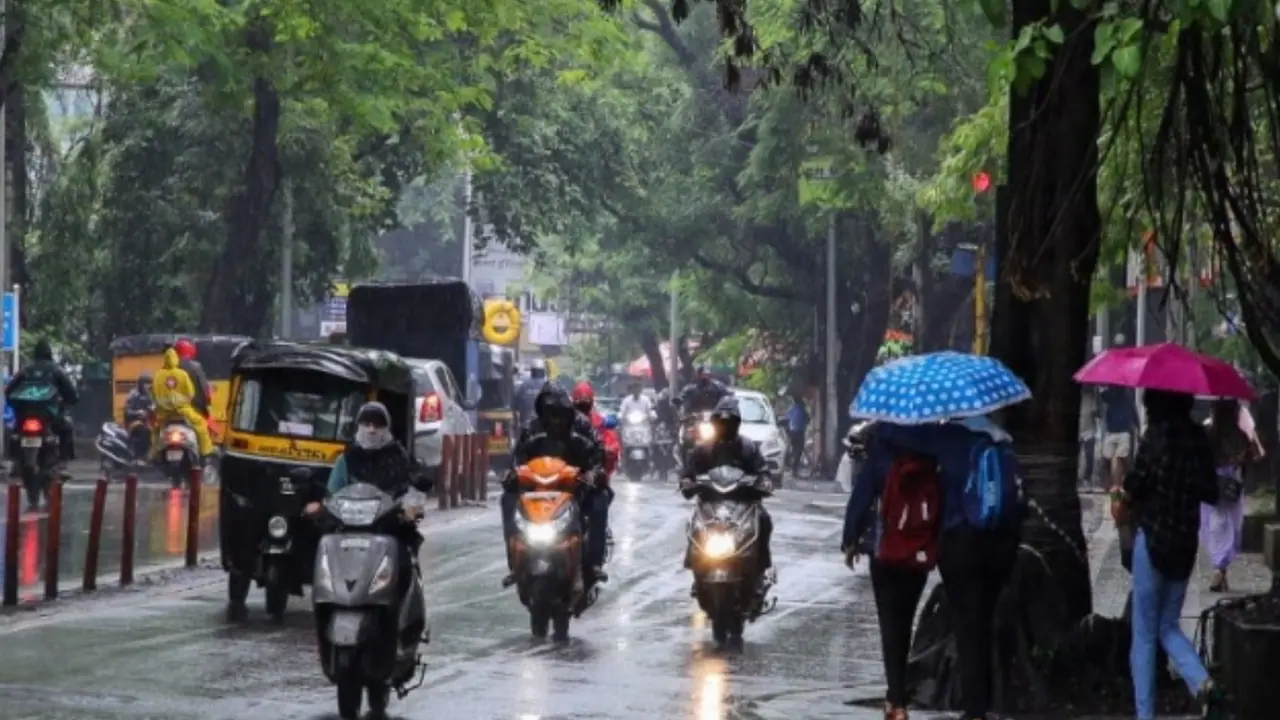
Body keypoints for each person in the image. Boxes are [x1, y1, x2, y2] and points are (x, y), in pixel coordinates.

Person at [870, 415, 1021, 720]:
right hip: (1002, 544)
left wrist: (878, 427)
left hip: (961, 541)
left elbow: (895, 437)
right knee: (984, 621)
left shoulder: (947, 437)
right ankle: (982, 702)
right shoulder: (1003, 441)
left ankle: (975, 709)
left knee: (967, 625)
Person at [1116, 389, 1225, 720]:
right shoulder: (1198, 439)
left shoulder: (1156, 436)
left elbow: (1137, 483)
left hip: (1153, 542)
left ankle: (1145, 714)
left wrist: (1123, 495)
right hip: (1184, 546)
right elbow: (1211, 491)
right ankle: (1202, 681)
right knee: (1167, 625)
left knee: (1145, 634)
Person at [842, 423, 938, 720]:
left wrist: (850, 540)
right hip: (918, 552)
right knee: (906, 619)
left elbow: (861, 498)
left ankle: (895, 700)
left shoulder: (881, 450)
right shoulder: (932, 449)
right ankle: (898, 691)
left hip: (884, 551)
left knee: (889, 623)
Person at [307, 401, 428, 600]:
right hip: (349, 528)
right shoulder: (347, 459)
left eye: (378, 424)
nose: (372, 430)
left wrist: (411, 507)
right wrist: (322, 506)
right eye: (367, 423)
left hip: (389, 528)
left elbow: (412, 487)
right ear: (358, 426)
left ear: (386, 428)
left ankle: (409, 614)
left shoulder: (399, 457)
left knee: (406, 564)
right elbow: (332, 492)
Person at [502, 385, 609, 586]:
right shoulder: (531, 429)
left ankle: (595, 562)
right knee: (507, 499)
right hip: (537, 492)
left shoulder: (583, 426)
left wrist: (593, 475)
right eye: (551, 414)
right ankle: (514, 561)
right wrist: (511, 475)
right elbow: (517, 459)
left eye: (560, 414)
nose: (556, 421)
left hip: (575, 488)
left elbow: (597, 454)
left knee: (599, 501)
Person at [680, 397, 774, 590]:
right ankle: (695, 569)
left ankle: (761, 569)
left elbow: (762, 470)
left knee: (764, 520)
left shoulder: (748, 448)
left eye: (729, 422)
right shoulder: (702, 450)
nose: (725, 426)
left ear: (737, 424)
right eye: (721, 422)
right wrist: (687, 482)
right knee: (693, 524)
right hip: (710, 505)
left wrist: (763, 481)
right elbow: (688, 473)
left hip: (743, 504)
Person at [1201, 398, 1254, 592]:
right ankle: (1221, 569)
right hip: (1232, 486)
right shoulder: (1240, 435)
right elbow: (1248, 458)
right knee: (1230, 527)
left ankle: (1218, 569)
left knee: (1214, 526)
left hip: (1212, 486)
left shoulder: (1208, 433)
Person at [5, 339, 79, 465]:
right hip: (48, 413)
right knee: (67, 427)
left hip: (24, 413)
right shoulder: (56, 370)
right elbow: (71, 393)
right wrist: (67, 403)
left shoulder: (25, 369)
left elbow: (9, 391)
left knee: (14, 432)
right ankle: (63, 462)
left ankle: (14, 461)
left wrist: (16, 407)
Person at [150, 346, 215, 459]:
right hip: (184, 411)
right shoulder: (185, 372)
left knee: (156, 431)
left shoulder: (158, 375)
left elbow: (154, 394)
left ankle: (153, 454)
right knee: (201, 425)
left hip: (164, 413)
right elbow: (192, 392)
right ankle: (206, 452)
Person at [572, 381, 620, 478]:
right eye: (579, 403)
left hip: (594, 468)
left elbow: (612, 443)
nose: (582, 407)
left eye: (585, 403)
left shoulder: (599, 421)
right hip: (570, 467)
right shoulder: (566, 420)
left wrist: (608, 450)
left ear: (591, 402)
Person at [1100, 383, 1139, 488]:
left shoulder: (1127, 393)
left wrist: (1137, 427)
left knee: (1121, 456)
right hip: (1111, 430)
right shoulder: (1110, 393)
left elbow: (1134, 410)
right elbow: (1104, 397)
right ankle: (1109, 482)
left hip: (1124, 431)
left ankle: (1122, 480)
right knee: (1106, 458)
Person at [172, 339, 212, 417]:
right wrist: (207, 403)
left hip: (173, 411)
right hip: (194, 409)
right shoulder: (196, 367)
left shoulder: (169, 368)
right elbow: (204, 390)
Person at [514, 359, 548, 430]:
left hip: (526, 424)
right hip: (545, 425)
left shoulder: (524, 385)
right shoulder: (548, 384)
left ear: (532, 371)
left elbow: (516, 404)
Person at [785, 394, 809, 475]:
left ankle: (793, 468)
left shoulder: (791, 409)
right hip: (799, 432)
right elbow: (807, 419)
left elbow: (787, 420)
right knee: (799, 450)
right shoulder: (802, 409)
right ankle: (794, 469)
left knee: (795, 449)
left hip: (792, 432)